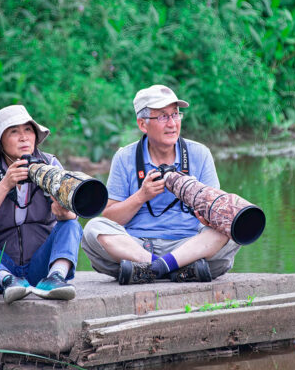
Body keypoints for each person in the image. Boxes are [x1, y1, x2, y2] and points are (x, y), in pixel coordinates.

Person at [82, 84, 240, 284]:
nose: (172, 124)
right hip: (138, 247)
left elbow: (219, 213)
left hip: (190, 245)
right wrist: (141, 196)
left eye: (175, 114)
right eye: (163, 116)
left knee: (233, 224)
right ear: (142, 124)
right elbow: (112, 217)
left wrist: (204, 207)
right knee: (93, 229)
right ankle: (173, 268)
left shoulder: (199, 153)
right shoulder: (125, 157)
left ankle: (151, 270)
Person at [0, 105, 82, 303]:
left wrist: (64, 213)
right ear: (0, 142)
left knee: (72, 224)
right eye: (14, 131)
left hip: (41, 265)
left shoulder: (50, 165)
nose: (24, 137)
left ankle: (56, 278)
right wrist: (5, 184)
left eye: (28, 130)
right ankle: (9, 281)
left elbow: (73, 214)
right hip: (2, 267)